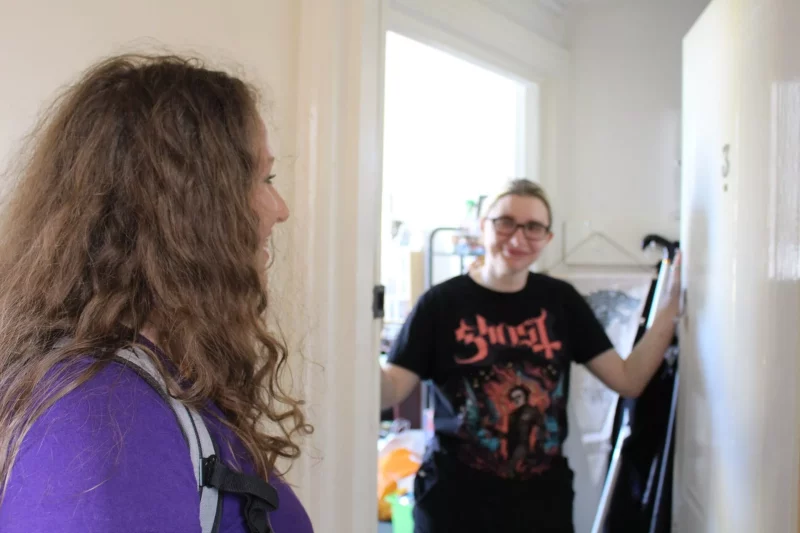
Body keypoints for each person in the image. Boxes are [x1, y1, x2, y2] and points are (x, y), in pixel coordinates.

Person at [0, 54, 314, 533]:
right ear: (186, 208)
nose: (280, 209)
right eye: (261, 179)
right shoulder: (101, 416)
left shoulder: (149, 382)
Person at [380, 178, 681, 533]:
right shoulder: (440, 304)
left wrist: (673, 304)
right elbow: (390, 391)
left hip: (541, 507)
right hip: (453, 504)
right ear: (483, 226)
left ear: (547, 238)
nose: (518, 238)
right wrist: (355, 335)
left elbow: (628, 380)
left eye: (533, 227)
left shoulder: (561, 302)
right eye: (505, 222)